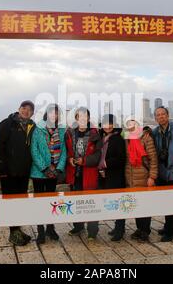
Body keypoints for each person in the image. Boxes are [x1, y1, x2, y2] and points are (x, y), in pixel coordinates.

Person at [0, 100, 36, 246]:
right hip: (9, 172)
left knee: (20, 202)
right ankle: (13, 233)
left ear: (32, 113)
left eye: (29, 110)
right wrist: (2, 170)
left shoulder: (32, 126)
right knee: (11, 203)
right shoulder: (7, 124)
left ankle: (18, 230)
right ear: (19, 108)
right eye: (24, 108)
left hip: (24, 172)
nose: (26, 111)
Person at [30, 103, 67, 244]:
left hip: (54, 171)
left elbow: (64, 150)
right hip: (39, 173)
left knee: (52, 201)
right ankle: (40, 230)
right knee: (40, 202)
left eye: (56, 113)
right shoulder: (38, 129)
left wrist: (58, 169)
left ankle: (50, 228)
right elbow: (34, 150)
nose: (54, 115)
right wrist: (44, 168)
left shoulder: (62, 130)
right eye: (51, 112)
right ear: (47, 114)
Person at [65, 107, 102, 241]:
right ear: (76, 118)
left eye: (85, 116)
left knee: (91, 203)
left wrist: (84, 161)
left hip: (89, 173)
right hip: (75, 174)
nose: (82, 118)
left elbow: (98, 155)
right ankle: (78, 226)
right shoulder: (70, 133)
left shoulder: (94, 134)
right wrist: (70, 159)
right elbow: (67, 152)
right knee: (76, 202)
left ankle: (92, 230)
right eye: (79, 116)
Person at [152, 106, 173, 242]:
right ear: (155, 118)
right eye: (158, 115)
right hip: (162, 171)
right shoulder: (155, 132)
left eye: (163, 114)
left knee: (172, 201)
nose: (161, 117)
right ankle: (168, 226)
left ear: (168, 115)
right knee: (165, 201)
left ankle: (171, 231)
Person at [124, 116, 158, 242]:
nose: (131, 126)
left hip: (144, 177)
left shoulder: (146, 138)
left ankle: (145, 230)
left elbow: (153, 159)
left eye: (134, 124)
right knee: (136, 205)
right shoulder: (127, 139)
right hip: (131, 178)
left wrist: (152, 176)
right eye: (129, 124)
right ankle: (139, 228)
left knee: (145, 205)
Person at [97, 114, 126, 242]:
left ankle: (120, 229)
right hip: (105, 175)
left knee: (118, 203)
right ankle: (117, 227)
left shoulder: (117, 139)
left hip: (115, 175)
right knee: (113, 202)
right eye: (105, 124)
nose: (107, 126)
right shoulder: (103, 138)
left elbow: (121, 159)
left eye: (110, 124)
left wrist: (106, 164)